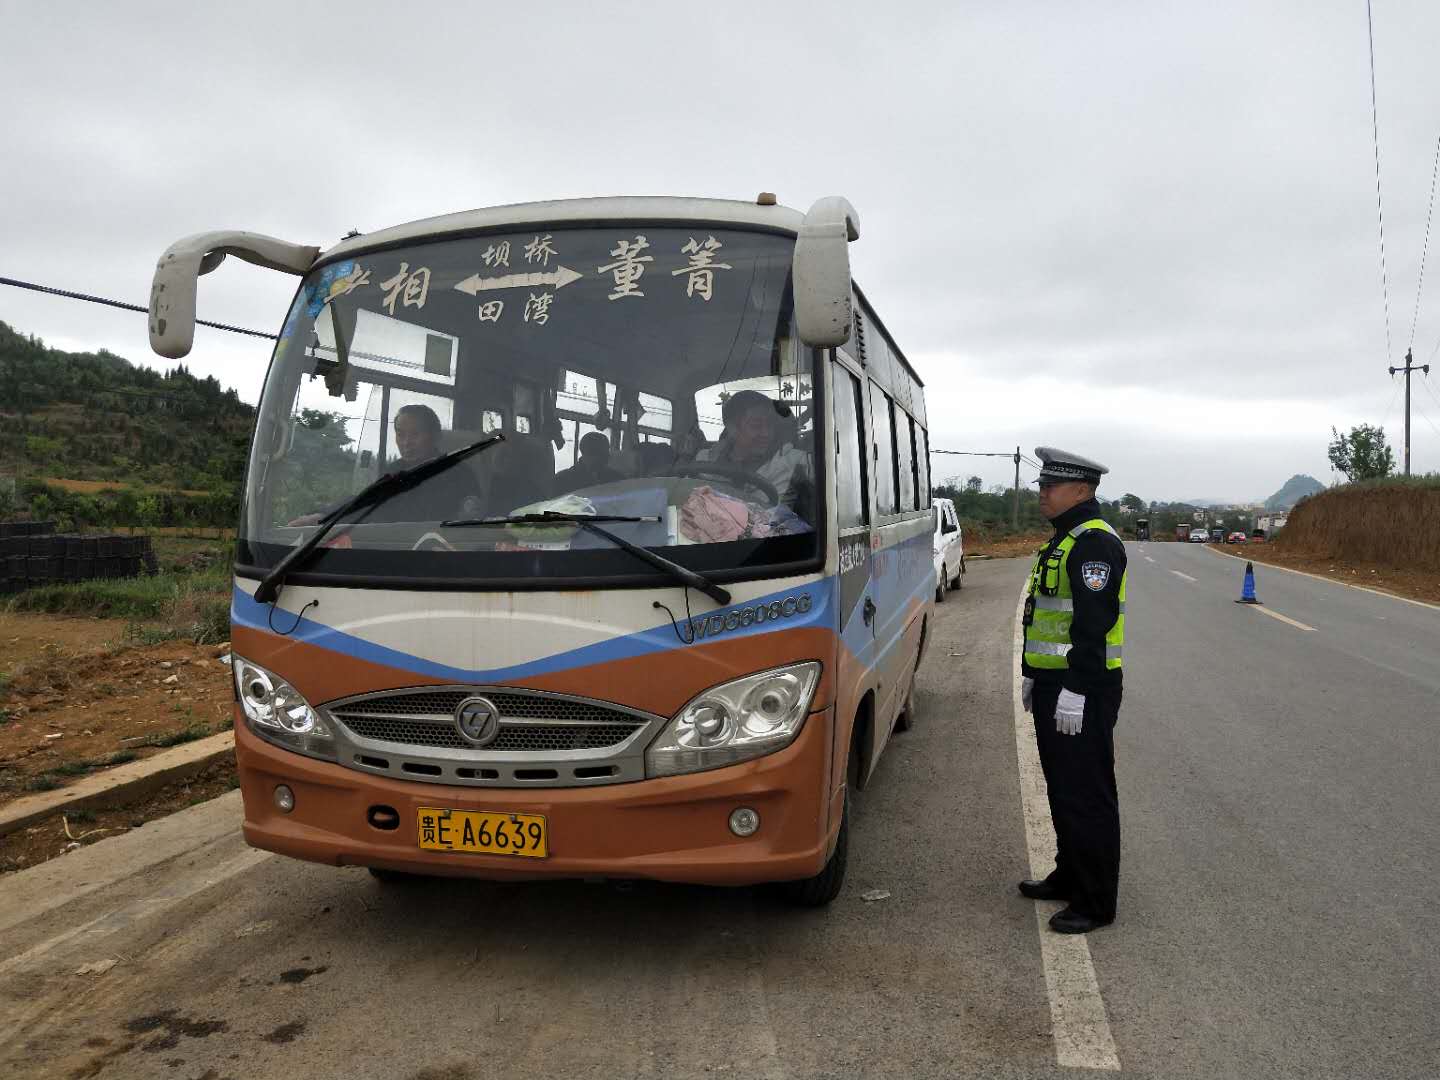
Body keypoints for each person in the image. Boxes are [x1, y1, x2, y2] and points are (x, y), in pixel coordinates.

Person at [1018, 446, 1128, 934]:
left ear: (1081, 490)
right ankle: (1069, 875)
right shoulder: (1064, 539)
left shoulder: (1094, 543)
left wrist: (1076, 688)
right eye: (1041, 485)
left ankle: (1095, 900)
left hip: (1081, 689)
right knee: (1062, 789)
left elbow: (1094, 624)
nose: (1042, 493)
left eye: (1050, 486)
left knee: (1087, 794)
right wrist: (1032, 671)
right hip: (1054, 682)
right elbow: (1045, 615)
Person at [288, 403, 476, 526]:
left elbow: (471, 521)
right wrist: (323, 515)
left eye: (415, 434)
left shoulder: (459, 474)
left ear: (434, 436)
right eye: (401, 434)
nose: (406, 442)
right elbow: (367, 500)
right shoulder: (395, 470)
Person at [694, 389, 813, 518]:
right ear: (732, 428)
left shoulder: (794, 460)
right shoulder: (704, 460)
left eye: (770, 425)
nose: (766, 433)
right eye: (756, 426)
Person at [553, 431, 624, 492]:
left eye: (607, 451)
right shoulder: (615, 479)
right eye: (603, 453)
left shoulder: (562, 479)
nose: (608, 456)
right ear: (588, 453)